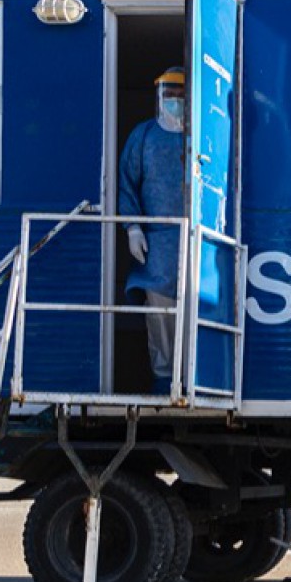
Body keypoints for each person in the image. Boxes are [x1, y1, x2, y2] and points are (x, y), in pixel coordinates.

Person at [119, 67, 189, 393]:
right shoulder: (144, 136)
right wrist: (133, 227)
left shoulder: (199, 137)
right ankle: (164, 378)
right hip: (157, 241)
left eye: (180, 95)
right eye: (168, 95)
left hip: (194, 239)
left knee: (196, 312)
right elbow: (127, 183)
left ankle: (193, 377)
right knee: (160, 314)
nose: (174, 101)